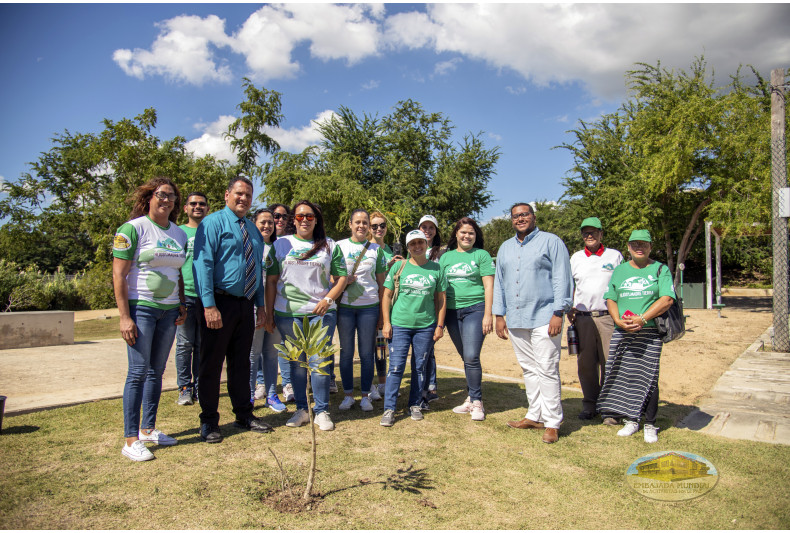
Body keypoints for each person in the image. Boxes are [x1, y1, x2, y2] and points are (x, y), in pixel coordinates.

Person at [112, 176, 188, 461]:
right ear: (150, 197)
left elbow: (177, 271)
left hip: (169, 311)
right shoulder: (133, 228)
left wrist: (181, 303)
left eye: (171, 196)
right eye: (161, 194)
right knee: (137, 372)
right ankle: (130, 440)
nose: (167, 200)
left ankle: (148, 429)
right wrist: (124, 316)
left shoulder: (178, 234)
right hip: (141, 308)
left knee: (157, 371)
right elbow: (119, 274)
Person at [192, 176, 272, 444]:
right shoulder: (212, 223)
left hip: (245, 304)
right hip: (219, 302)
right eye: (239, 193)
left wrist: (260, 305)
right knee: (211, 365)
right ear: (227, 195)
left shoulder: (252, 229)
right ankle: (209, 421)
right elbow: (202, 264)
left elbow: (257, 269)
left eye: (248, 195)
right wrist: (209, 305)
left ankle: (244, 414)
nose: (243, 199)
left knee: (241, 364)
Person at [265, 200, 348, 431]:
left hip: (320, 314)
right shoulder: (281, 244)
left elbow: (341, 277)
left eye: (309, 216)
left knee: (319, 363)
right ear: (293, 219)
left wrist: (328, 299)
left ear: (316, 220)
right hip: (288, 315)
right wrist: (269, 313)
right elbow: (271, 281)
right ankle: (302, 409)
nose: (304, 220)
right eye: (299, 216)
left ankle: (321, 411)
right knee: (298, 365)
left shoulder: (329, 245)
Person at [494, 202, 572, 444]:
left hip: (545, 316)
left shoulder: (551, 242)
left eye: (524, 214)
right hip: (517, 318)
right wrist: (499, 315)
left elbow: (562, 277)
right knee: (529, 369)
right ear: (511, 220)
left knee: (547, 368)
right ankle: (533, 415)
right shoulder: (505, 247)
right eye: (515, 216)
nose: (520, 219)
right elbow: (500, 282)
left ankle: (552, 422)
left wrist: (559, 311)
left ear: (533, 217)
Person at [597, 230, 675, 443]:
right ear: (628, 247)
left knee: (649, 377)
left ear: (650, 246)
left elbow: (667, 299)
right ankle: (631, 419)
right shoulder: (620, 270)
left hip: (648, 332)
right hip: (623, 330)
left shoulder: (660, 269)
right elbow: (611, 298)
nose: (639, 247)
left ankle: (650, 423)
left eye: (644, 244)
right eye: (634, 244)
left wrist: (642, 318)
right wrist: (617, 320)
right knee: (625, 374)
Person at [380, 229, 447, 427]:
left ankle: (415, 404)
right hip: (399, 325)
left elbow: (442, 299)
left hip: (425, 326)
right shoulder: (398, 267)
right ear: (408, 247)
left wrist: (439, 325)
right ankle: (389, 408)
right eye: (413, 244)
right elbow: (386, 296)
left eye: (420, 243)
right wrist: (386, 322)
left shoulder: (436, 269)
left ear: (426, 244)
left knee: (419, 367)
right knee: (395, 367)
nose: (417, 247)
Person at [568, 217, 623, 421]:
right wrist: (569, 307)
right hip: (582, 317)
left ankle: (610, 409)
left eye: (593, 232)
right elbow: (570, 285)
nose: (589, 236)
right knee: (586, 364)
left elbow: (621, 285)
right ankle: (590, 404)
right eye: (585, 232)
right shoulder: (576, 258)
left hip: (608, 317)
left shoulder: (614, 256)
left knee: (611, 362)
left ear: (601, 234)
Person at [440, 217, 495, 421]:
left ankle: (477, 401)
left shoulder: (481, 255)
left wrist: (488, 314)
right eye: (463, 232)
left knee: (471, 356)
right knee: (466, 357)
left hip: (476, 309)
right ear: (456, 234)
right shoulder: (446, 258)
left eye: (471, 233)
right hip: (452, 313)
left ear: (475, 236)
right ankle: (471, 397)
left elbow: (489, 285)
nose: (467, 236)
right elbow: (440, 289)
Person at [335, 209, 388, 412]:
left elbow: (382, 284)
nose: (361, 226)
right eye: (357, 222)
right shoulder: (339, 246)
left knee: (367, 354)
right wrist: (341, 281)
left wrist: (383, 315)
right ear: (350, 224)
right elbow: (331, 278)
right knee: (346, 353)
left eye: (365, 222)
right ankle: (349, 395)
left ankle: (365, 395)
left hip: (369, 308)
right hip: (346, 308)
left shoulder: (376, 250)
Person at [249, 208, 287, 413]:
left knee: (272, 354)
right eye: (262, 222)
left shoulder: (278, 248)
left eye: (270, 223)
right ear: (254, 223)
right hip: (255, 309)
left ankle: (272, 395)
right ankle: (249, 395)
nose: (267, 226)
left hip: (275, 310)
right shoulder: (249, 246)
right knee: (253, 354)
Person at [175, 192, 209, 406]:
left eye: (202, 204)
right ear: (186, 208)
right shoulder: (178, 233)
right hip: (184, 295)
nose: (198, 207)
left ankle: (199, 385)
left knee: (202, 344)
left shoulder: (211, 231)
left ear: (207, 209)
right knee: (185, 344)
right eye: (193, 204)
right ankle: (184, 387)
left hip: (207, 297)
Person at [367, 211, 404, 400]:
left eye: (382, 225)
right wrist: (387, 266)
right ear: (369, 228)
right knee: (368, 346)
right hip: (369, 302)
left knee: (382, 346)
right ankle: (370, 384)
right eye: (374, 226)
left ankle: (382, 383)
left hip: (389, 304)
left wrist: (400, 264)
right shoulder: (366, 249)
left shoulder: (392, 249)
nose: (379, 229)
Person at [270, 203, 295, 402]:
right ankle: (263, 383)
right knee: (264, 347)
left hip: (285, 302)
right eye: (275, 216)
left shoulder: (290, 243)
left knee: (286, 346)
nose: (279, 220)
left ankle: (288, 384)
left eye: (283, 216)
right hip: (263, 299)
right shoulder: (260, 239)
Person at [418, 214, 443, 404]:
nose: (427, 230)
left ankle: (431, 386)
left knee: (429, 349)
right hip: (418, 306)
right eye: (423, 227)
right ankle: (423, 385)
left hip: (435, 306)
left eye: (431, 227)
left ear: (436, 230)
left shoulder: (443, 252)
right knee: (424, 349)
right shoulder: (413, 248)